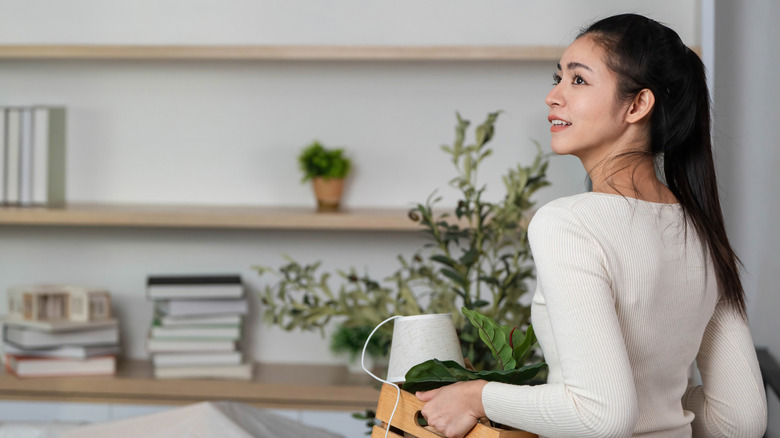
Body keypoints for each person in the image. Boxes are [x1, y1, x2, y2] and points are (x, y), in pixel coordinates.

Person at [415, 13, 768, 438]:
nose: (552, 96)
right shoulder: (703, 230)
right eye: (558, 77)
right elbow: (741, 420)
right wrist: (662, 410)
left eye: (578, 81)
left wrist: (477, 395)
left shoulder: (569, 224)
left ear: (637, 104)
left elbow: (600, 416)